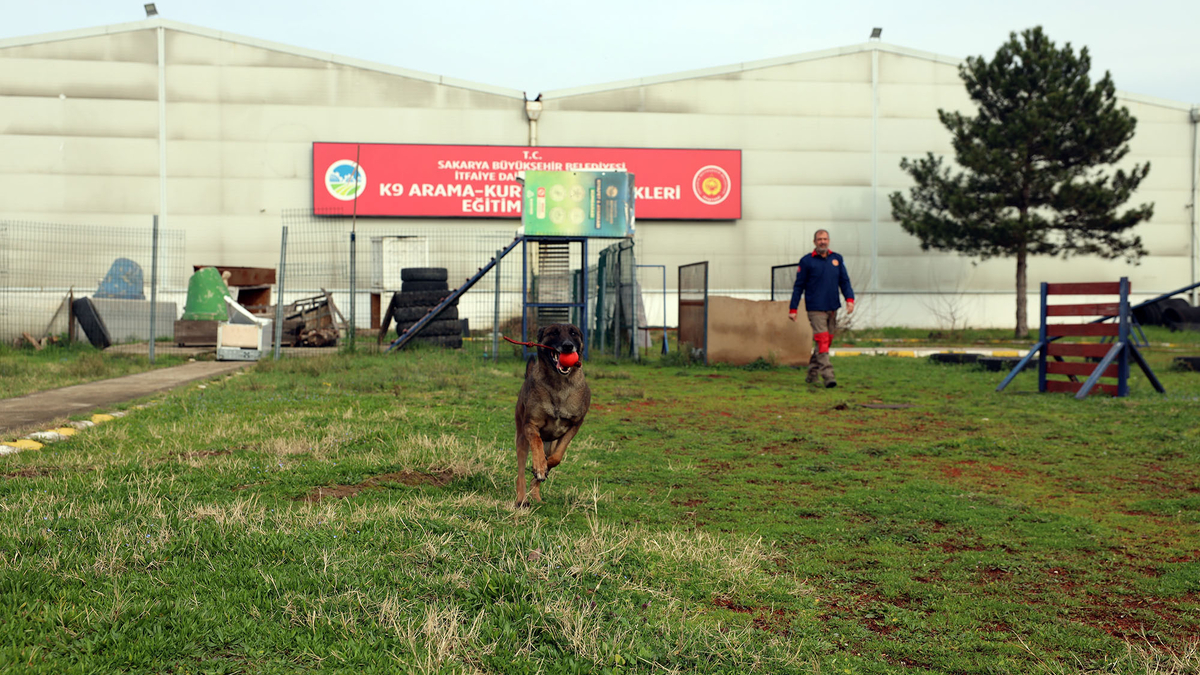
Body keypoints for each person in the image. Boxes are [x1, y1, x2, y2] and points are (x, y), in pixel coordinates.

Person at [788, 229, 854, 388]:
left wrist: (849, 299)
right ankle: (828, 375)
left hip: (832, 307)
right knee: (822, 340)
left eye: (825, 239)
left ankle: (811, 374)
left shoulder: (837, 259)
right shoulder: (806, 261)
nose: (822, 242)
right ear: (814, 242)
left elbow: (844, 281)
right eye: (819, 239)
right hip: (815, 307)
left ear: (829, 240)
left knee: (826, 341)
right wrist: (793, 308)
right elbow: (799, 286)